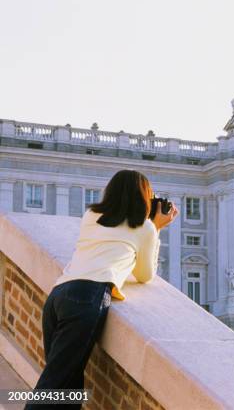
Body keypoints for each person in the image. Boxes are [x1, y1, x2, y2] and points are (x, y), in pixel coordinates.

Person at [24, 170, 178, 409]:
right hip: (87, 298)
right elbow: (145, 276)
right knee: (54, 384)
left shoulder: (91, 215)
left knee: (68, 383)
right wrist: (156, 229)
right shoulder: (145, 228)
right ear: (144, 197)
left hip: (58, 295)